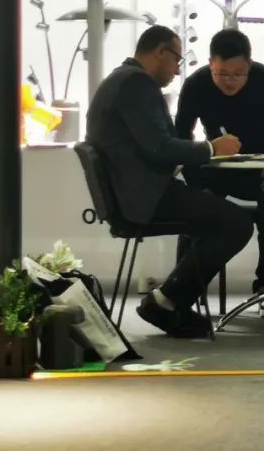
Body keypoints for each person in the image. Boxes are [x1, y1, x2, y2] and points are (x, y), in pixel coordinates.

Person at [87, 25, 255, 338]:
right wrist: (212, 148)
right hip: (143, 197)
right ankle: (167, 301)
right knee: (237, 223)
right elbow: (159, 148)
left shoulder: (120, 79)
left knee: (216, 214)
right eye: (177, 60)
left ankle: (171, 301)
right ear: (161, 52)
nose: (177, 70)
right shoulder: (137, 84)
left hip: (131, 193)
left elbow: (154, 145)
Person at [176, 29, 264, 316]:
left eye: (238, 74)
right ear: (210, 63)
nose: (229, 81)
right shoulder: (196, 84)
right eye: (221, 73)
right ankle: (181, 290)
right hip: (218, 166)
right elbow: (181, 135)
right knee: (193, 209)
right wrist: (194, 174)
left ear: (249, 65)